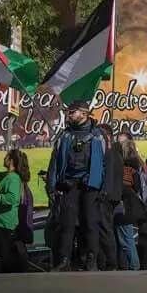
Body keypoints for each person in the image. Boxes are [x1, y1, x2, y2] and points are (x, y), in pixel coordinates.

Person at [45, 101, 106, 271]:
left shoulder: (98, 135)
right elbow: (54, 162)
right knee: (67, 224)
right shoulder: (65, 136)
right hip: (69, 185)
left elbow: (105, 163)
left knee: (90, 223)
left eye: (72, 112)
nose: (68, 115)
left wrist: (104, 187)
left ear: (84, 113)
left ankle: (91, 259)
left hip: (90, 185)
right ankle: (64, 260)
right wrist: (51, 186)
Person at [97, 124, 125, 272]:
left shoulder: (109, 153)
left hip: (106, 196)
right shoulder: (115, 153)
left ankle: (109, 262)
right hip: (112, 195)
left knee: (105, 229)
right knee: (105, 229)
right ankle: (108, 261)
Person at [114, 135, 143, 270]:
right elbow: (137, 188)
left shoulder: (123, 170)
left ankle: (133, 266)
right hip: (130, 209)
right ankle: (129, 266)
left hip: (123, 209)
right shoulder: (135, 169)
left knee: (126, 241)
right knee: (126, 240)